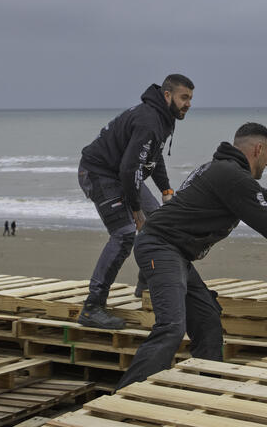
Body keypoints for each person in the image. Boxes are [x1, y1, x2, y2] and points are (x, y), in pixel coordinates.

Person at [116, 122, 267, 388]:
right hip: (160, 248)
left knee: (207, 318)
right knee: (171, 328)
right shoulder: (232, 176)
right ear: (258, 149)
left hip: (172, 251)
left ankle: (209, 389)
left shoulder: (223, 170)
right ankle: (122, 399)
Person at [77, 74, 195, 330]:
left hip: (122, 173)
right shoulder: (149, 121)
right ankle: (92, 307)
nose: (188, 104)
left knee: (160, 223)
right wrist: (136, 211)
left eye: (190, 99)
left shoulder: (163, 119)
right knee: (125, 234)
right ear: (167, 95)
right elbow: (130, 169)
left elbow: (154, 156)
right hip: (100, 173)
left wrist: (166, 189)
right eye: (184, 97)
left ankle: (145, 285)